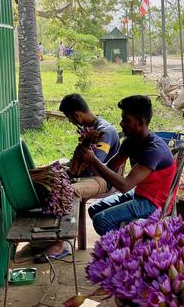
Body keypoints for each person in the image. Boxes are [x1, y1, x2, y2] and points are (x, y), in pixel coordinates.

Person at [78, 95, 177, 235]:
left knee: (102, 221)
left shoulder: (154, 150)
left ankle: (127, 250)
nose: (121, 123)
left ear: (140, 122)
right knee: (94, 209)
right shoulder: (131, 142)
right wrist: (86, 162)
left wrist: (93, 160)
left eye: (126, 119)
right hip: (140, 193)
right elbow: (110, 167)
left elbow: (125, 185)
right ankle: (126, 240)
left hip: (154, 203)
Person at [37, 94, 120, 260]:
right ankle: (51, 232)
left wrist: (68, 172)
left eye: (69, 118)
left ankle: (63, 243)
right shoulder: (89, 128)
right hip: (89, 174)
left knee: (70, 190)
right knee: (56, 166)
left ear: (76, 115)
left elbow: (93, 164)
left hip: (103, 178)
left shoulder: (103, 131)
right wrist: (59, 167)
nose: (70, 122)